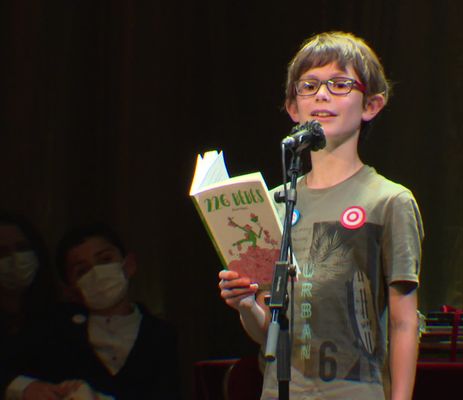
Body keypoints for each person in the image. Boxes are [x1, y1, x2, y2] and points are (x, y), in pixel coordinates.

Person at [218, 31, 424, 400]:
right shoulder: (277, 202)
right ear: (293, 108)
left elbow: (403, 322)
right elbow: (270, 329)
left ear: (371, 105)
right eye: (309, 86)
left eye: (340, 84)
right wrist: (246, 304)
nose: (322, 95)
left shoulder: (389, 201)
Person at [6, 222, 181, 400]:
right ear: (70, 290)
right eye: (82, 270)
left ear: (129, 265)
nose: (97, 273)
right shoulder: (52, 329)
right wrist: (26, 388)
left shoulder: (161, 334)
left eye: (105, 260)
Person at [0, 211, 59, 398]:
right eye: (2, 253)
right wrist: (23, 388)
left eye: (22, 247)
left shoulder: (60, 318)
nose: (15, 258)